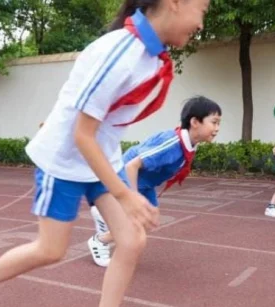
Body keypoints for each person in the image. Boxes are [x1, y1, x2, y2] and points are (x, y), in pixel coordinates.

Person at [0, 1, 211, 306]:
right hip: (65, 162)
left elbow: (87, 105)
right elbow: (82, 134)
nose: (202, 23)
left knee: (132, 240)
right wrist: (126, 195)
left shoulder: (148, 58)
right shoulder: (121, 53)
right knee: (51, 250)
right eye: (202, 9)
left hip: (102, 158)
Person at [87, 95, 222, 267]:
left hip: (146, 184)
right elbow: (131, 166)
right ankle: (99, 240)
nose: (217, 128)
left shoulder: (189, 144)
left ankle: (106, 222)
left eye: (219, 123)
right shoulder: (172, 143)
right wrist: (132, 200)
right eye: (214, 122)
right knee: (135, 221)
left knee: (148, 220)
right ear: (195, 122)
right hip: (125, 178)